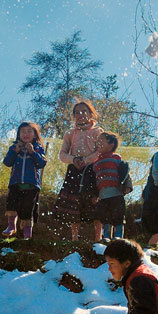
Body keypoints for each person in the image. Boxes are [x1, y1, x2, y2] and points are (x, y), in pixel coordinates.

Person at [54, 100, 105, 241]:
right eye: (77, 112)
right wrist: (74, 159)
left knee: (94, 201)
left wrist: (86, 160)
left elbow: (100, 151)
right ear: (73, 116)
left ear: (91, 114)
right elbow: (62, 154)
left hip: (92, 170)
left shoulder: (97, 131)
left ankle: (98, 238)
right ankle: (74, 238)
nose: (80, 114)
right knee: (73, 203)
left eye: (84, 111)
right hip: (74, 170)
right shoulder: (70, 133)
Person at [2, 122, 47, 239]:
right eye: (23, 131)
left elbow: (41, 163)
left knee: (28, 209)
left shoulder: (38, 148)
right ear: (18, 134)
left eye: (29, 131)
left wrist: (32, 152)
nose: (26, 134)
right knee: (11, 204)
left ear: (35, 134)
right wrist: (15, 151)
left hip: (31, 185)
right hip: (15, 183)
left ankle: (27, 233)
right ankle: (11, 226)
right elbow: (7, 162)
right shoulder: (14, 147)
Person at [92, 132, 132, 240]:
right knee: (105, 216)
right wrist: (95, 195)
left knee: (118, 216)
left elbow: (125, 172)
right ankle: (106, 236)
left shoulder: (116, 158)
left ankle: (118, 236)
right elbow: (95, 180)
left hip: (116, 193)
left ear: (111, 144)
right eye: (97, 141)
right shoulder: (96, 162)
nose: (98, 143)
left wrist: (127, 186)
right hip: (102, 195)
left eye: (102, 141)